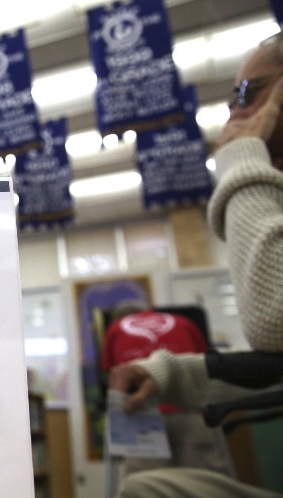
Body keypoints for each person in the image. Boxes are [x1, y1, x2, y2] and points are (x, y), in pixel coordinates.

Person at [109, 32, 283, 497]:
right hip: (178, 414)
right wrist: (168, 373)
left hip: (155, 422)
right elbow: (276, 364)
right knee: (150, 488)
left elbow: (274, 322)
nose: (233, 115)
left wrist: (242, 158)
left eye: (246, 94)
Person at [101, 303, 231, 477]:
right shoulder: (184, 322)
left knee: (148, 484)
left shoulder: (115, 329)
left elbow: (112, 375)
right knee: (203, 480)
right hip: (191, 409)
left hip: (141, 413)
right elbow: (205, 365)